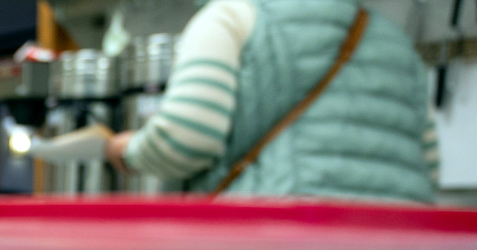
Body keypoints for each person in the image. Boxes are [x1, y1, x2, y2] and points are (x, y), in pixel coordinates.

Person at [103, 0, 440, 203]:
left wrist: (128, 152)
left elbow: (188, 138)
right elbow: (430, 167)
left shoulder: (232, 18)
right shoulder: (398, 42)